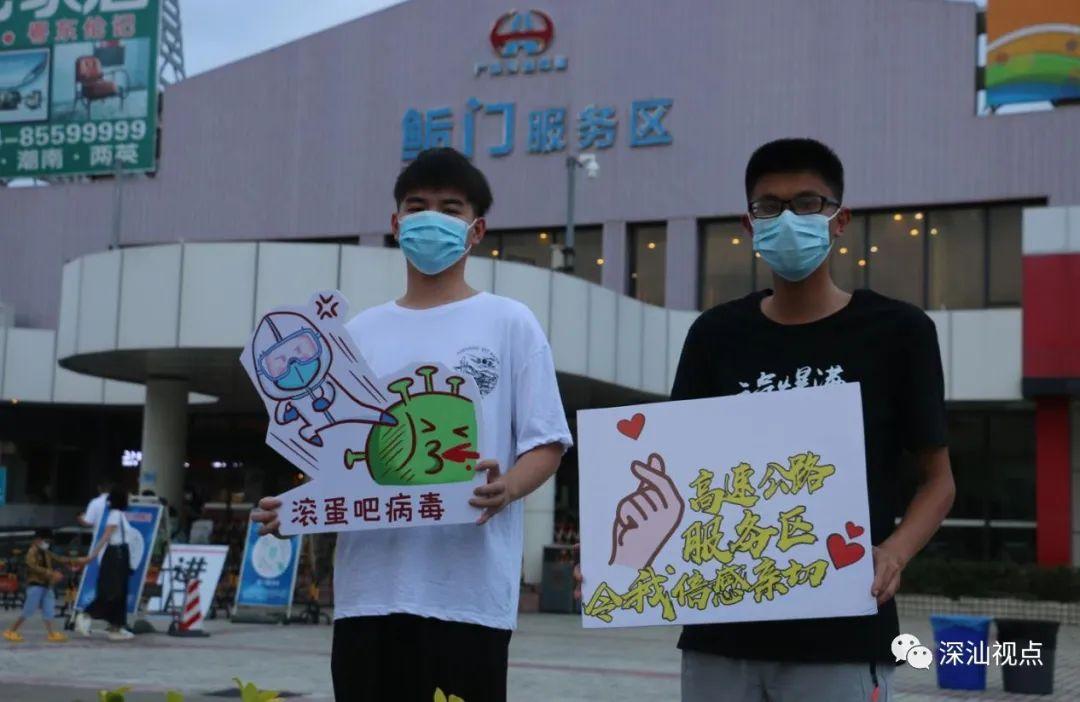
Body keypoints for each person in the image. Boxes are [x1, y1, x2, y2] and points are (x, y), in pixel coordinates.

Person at [575, 138, 955, 702]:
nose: (788, 219)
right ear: (749, 225)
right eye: (770, 206)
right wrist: (616, 563)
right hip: (720, 635)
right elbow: (670, 472)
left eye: (807, 203)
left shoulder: (899, 333)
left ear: (839, 220)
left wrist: (893, 553)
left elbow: (938, 482)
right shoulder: (715, 335)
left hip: (843, 634)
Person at [252, 147, 572, 702]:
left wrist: (508, 488)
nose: (431, 219)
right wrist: (297, 509)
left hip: (468, 598)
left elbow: (547, 441)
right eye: (417, 206)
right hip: (368, 596)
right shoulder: (356, 336)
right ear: (396, 224)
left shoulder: (509, 323)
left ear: (476, 230)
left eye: (450, 209)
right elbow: (341, 454)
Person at [3, 528, 85, 643]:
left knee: (49, 610)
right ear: (38, 540)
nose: (47, 543)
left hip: (47, 585)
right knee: (28, 610)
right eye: (46, 541)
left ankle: (51, 633)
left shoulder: (46, 552)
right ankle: (11, 631)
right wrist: (51, 573)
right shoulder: (32, 551)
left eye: (48, 541)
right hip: (36, 585)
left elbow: (59, 558)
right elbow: (32, 566)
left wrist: (77, 560)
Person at [76, 487, 137, 641]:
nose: (130, 499)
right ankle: (86, 615)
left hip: (121, 554)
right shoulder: (115, 515)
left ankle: (116, 627)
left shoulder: (119, 514)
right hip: (115, 555)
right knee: (113, 591)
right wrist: (92, 556)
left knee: (120, 592)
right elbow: (105, 537)